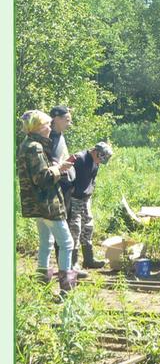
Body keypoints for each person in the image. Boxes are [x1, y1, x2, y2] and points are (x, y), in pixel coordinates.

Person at [17, 110, 76, 292]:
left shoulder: (26, 144)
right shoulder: (35, 147)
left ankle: (42, 287)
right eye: (47, 125)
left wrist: (56, 167)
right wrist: (60, 169)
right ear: (38, 127)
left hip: (38, 203)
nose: (50, 128)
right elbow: (42, 179)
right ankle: (67, 291)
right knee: (67, 243)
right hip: (48, 203)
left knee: (46, 242)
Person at [67, 142, 114, 270]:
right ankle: (73, 263)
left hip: (86, 198)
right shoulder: (79, 158)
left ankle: (88, 259)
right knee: (75, 229)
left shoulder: (96, 162)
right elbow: (65, 174)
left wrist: (90, 191)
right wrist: (71, 191)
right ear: (95, 151)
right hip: (74, 198)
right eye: (100, 158)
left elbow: (92, 179)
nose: (99, 161)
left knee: (88, 227)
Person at [48, 106, 77, 267]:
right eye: (67, 120)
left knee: (67, 224)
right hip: (58, 187)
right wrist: (61, 166)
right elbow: (51, 164)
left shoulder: (60, 135)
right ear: (56, 119)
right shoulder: (50, 137)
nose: (69, 123)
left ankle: (68, 266)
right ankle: (65, 268)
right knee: (61, 228)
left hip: (67, 186)